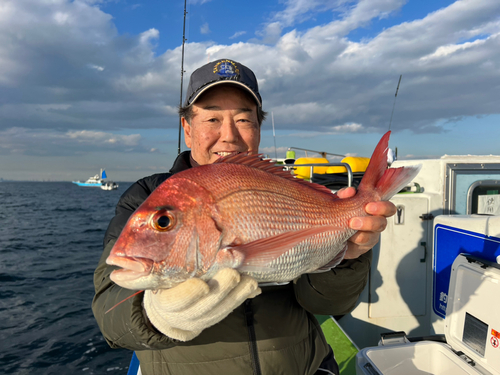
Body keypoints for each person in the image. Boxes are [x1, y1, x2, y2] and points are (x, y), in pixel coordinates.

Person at [92, 58, 396, 375]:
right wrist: (155, 316)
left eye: (243, 120)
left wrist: (349, 254)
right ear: (187, 128)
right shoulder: (147, 196)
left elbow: (329, 305)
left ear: (258, 129)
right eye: (211, 119)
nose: (229, 136)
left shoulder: (289, 188)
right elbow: (109, 312)